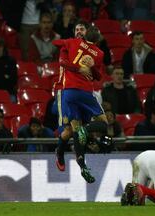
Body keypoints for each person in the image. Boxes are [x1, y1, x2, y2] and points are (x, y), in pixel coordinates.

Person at [52, 26, 108, 183]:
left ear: (84, 34)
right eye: (77, 29)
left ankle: (81, 163)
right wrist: (83, 67)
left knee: (73, 130)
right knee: (101, 123)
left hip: (70, 92)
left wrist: (87, 66)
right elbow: (97, 76)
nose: (79, 32)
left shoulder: (70, 43)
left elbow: (55, 42)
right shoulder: (99, 52)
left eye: (81, 30)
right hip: (76, 92)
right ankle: (64, 152)